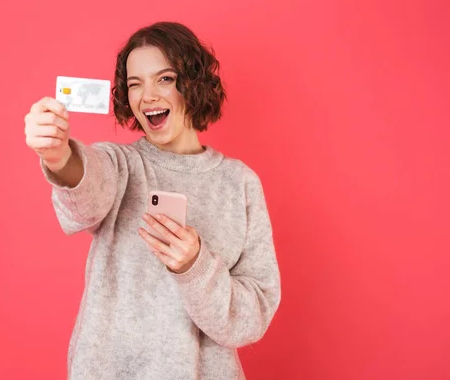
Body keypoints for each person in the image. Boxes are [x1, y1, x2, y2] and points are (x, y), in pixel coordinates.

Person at [24, 21, 281, 380]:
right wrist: (57, 155)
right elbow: (87, 185)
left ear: (193, 84)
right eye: (134, 84)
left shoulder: (240, 183)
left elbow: (250, 319)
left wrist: (195, 266)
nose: (147, 97)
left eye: (164, 79)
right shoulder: (120, 166)